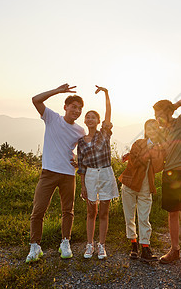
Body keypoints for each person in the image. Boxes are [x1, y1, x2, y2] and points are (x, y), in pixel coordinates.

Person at [27, 83, 85, 263]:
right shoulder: (52, 118)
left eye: (79, 108)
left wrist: (76, 159)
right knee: (38, 210)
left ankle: (65, 242)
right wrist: (58, 91)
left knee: (68, 211)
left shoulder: (80, 131)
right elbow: (35, 100)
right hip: (48, 173)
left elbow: (80, 153)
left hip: (68, 174)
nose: (76, 110)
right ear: (65, 107)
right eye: (73, 107)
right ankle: (35, 246)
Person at [153, 95, 181, 273]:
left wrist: (174, 106)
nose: (158, 118)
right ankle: (174, 251)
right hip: (169, 174)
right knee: (172, 214)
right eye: (155, 115)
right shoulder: (160, 133)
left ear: (169, 113)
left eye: (160, 115)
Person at [77, 85, 119, 260]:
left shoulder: (104, 134)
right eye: (88, 117)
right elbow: (81, 166)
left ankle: (101, 245)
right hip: (91, 176)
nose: (90, 119)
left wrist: (107, 94)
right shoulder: (81, 141)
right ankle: (89, 244)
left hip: (106, 173)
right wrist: (83, 186)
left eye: (93, 117)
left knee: (103, 212)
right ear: (85, 122)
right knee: (90, 212)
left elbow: (109, 113)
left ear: (98, 120)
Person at [118, 119, 165, 262]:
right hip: (130, 184)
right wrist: (148, 152)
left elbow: (157, 167)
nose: (152, 131)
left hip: (146, 186)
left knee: (144, 218)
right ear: (145, 130)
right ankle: (133, 245)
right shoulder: (138, 143)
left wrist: (154, 152)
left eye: (155, 128)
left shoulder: (159, 148)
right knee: (129, 216)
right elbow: (134, 162)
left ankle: (145, 247)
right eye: (149, 128)